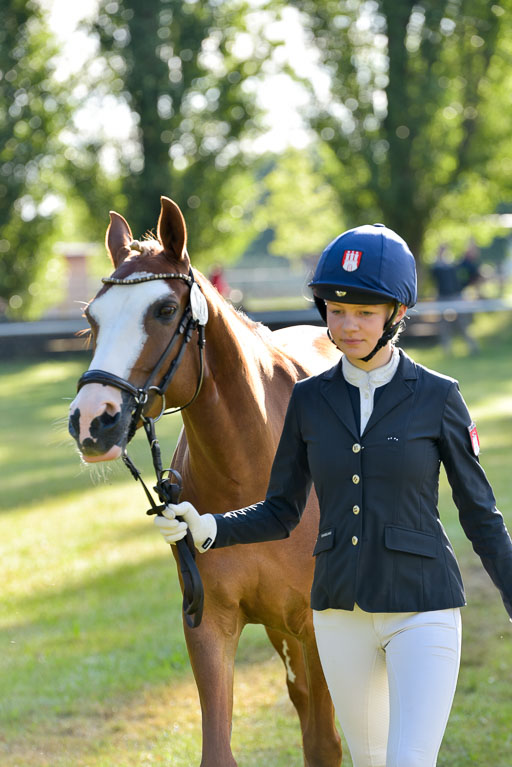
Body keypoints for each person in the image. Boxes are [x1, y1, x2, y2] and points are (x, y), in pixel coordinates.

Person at [154, 224, 512, 767]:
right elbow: (282, 510)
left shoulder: (440, 398)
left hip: (423, 607)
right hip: (339, 617)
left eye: (365, 312)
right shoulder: (308, 400)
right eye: (336, 309)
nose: (346, 326)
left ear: (396, 313)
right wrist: (208, 527)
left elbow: (481, 515)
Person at [430, 244, 479, 354]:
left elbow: (468, 272)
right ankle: (447, 350)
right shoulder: (436, 267)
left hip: (456, 297)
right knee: (444, 326)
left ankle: (473, 348)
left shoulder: (454, 265)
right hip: (443, 297)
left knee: (463, 324)